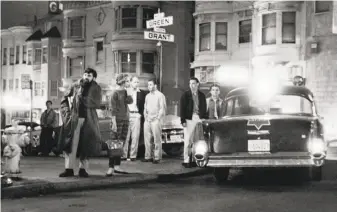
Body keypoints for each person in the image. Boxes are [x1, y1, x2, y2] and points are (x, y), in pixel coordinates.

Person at [59, 68, 102, 178]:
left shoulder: (96, 88)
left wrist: (81, 97)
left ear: (93, 78)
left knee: (86, 144)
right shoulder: (75, 85)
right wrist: (67, 115)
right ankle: (69, 169)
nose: (87, 77)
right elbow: (64, 99)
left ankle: (83, 169)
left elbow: (96, 103)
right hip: (74, 119)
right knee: (71, 144)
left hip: (89, 119)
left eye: (89, 75)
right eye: (85, 74)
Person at [106, 73, 133, 177]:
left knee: (120, 143)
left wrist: (129, 93)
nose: (129, 83)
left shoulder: (126, 92)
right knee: (114, 144)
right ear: (122, 81)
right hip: (117, 120)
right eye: (127, 81)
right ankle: (110, 167)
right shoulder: (115, 93)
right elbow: (113, 109)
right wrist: (114, 122)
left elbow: (130, 101)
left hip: (126, 119)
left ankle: (117, 166)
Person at [180, 77, 207, 168]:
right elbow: (182, 109)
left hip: (199, 118)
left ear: (197, 84)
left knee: (198, 140)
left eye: (193, 83)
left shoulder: (202, 95)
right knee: (187, 141)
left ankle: (196, 160)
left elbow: (204, 107)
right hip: (189, 118)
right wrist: (182, 120)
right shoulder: (185, 95)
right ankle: (186, 160)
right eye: (190, 83)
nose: (192, 85)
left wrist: (203, 118)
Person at [122, 76, 148, 161]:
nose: (136, 84)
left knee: (135, 136)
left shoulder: (142, 93)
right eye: (134, 82)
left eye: (137, 82)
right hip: (127, 115)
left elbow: (145, 105)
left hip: (136, 115)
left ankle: (133, 156)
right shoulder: (125, 91)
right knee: (126, 136)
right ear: (130, 82)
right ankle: (124, 155)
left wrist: (141, 114)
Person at [142, 78, 166, 164]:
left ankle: (157, 157)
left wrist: (157, 118)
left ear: (155, 85)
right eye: (148, 85)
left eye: (150, 85)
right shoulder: (147, 96)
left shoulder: (160, 95)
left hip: (156, 121)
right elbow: (145, 108)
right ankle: (148, 156)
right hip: (148, 120)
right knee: (147, 139)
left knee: (157, 140)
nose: (149, 86)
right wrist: (146, 117)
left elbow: (162, 109)